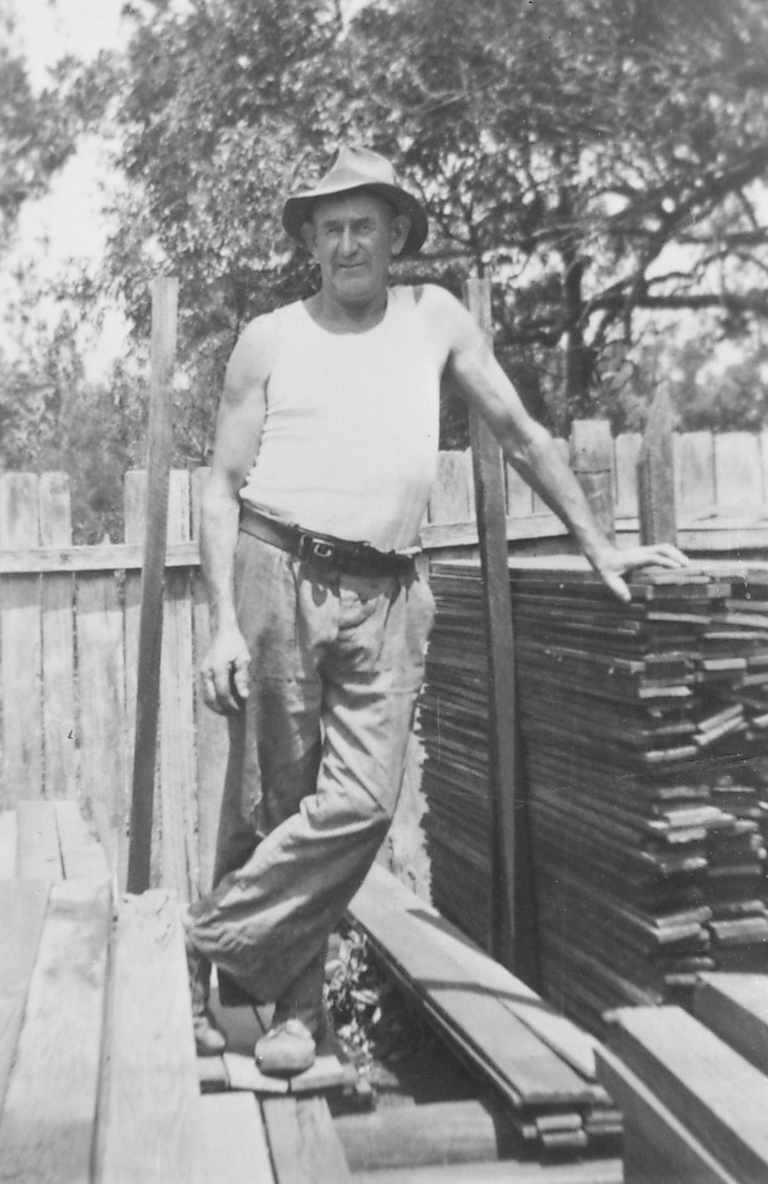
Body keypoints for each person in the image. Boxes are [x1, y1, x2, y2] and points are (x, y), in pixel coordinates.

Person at [183, 145, 688, 1076]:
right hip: (277, 573)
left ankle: (212, 938)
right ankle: (297, 1023)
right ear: (309, 242)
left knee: (363, 806)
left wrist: (602, 545)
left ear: (394, 235)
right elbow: (216, 488)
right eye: (329, 229)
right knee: (280, 799)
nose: (346, 245)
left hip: (391, 593)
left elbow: (523, 433)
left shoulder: (432, 317)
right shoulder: (270, 337)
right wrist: (220, 620)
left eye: (363, 227)